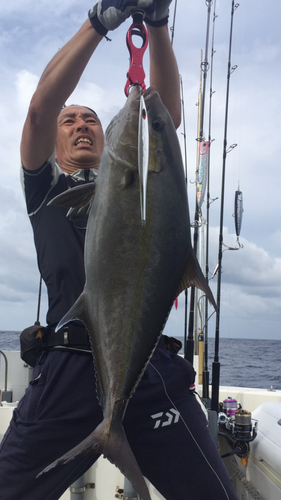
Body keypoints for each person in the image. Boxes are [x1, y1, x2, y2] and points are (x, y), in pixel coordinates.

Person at [0, 1, 239, 499]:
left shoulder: (140, 183)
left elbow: (164, 120)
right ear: (55, 141)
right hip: (64, 372)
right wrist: (97, 22)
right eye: (71, 122)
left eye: (90, 118)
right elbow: (41, 107)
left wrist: (156, 26)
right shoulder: (46, 191)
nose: (82, 125)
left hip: (148, 367)